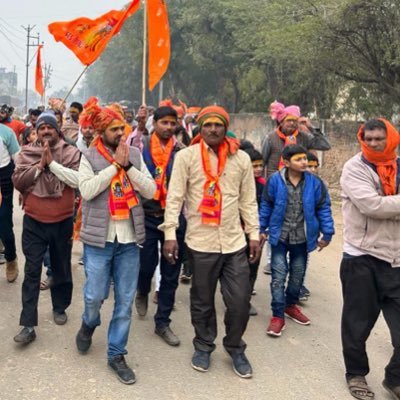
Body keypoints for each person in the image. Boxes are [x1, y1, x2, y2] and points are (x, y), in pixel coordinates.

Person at [160, 106, 260, 379]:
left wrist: (253, 234)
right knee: (202, 301)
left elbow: (248, 200)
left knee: (240, 301)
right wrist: (170, 234)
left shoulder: (240, 159)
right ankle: (203, 345)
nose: (213, 129)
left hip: (233, 242)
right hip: (200, 241)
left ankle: (235, 346)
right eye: (208, 125)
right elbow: (175, 197)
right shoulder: (186, 157)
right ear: (200, 128)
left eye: (218, 125)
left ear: (225, 127)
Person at [75, 97, 156, 385]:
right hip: (99, 241)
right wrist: (113, 168)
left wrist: (129, 168)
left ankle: (116, 354)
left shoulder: (134, 154)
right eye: (114, 130)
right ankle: (88, 323)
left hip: (129, 242)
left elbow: (151, 190)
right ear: (101, 132)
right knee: (94, 297)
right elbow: (86, 190)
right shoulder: (89, 156)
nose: (120, 134)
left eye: (122, 128)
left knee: (124, 301)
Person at [340, 118, 400, 400]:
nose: (373, 143)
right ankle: (355, 373)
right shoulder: (354, 168)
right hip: (361, 256)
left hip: (396, 258)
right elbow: (371, 205)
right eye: (369, 139)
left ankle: (395, 378)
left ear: (391, 138)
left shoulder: (399, 167)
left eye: (379, 139)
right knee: (357, 323)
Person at [12, 111, 80, 344]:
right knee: (31, 271)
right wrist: (40, 167)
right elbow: (18, 181)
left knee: (61, 268)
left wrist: (53, 164)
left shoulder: (71, 152)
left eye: (50, 127)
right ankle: (28, 325)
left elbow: (75, 180)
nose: (46, 131)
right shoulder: (26, 153)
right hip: (34, 223)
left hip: (62, 222)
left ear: (57, 129)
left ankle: (60, 307)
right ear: (37, 131)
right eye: (42, 128)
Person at [259, 144, 334, 337]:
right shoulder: (275, 181)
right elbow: (266, 205)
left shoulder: (315, 183)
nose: (304, 163)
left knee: (297, 276)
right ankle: (277, 315)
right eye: (299, 159)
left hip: (302, 237)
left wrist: (327, 233)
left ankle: (290, 305)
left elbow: (323, 208)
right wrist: (261, 229)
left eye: (305, 159)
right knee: (278, 276)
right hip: (279, 236)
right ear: (286, 161)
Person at [135, 106, 185, 346]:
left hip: (173, 217)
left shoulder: (182, 151)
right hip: (146, 214)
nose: (168, 127)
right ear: (155, 123)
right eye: (163, 122)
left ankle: (162, 322)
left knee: (171, 271)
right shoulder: (140, 144)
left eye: (171, 123)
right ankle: (142, 290)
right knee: (146, 265)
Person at [261, 101, 331, 275]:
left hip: (299, 186)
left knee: (296, 223)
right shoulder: (271, 138)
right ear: (281, 121)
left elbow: (325, 145)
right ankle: (272, 261)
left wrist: (310, 126)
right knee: (275, 222)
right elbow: (263, 160)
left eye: (295, 120)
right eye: (288, 120)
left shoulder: (303, 137)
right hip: (275, 185)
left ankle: (295, 263)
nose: (292, 124)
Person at [241, 146, 265, 316]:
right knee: (236, 268)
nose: (258, 169)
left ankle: (245, 300)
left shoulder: (264, 185)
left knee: (252, 267)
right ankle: (234, 298)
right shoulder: (237, 184)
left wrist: (262, 231)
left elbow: (266, 208)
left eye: (260, 166)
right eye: (253, 166)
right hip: (236, 232)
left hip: (255, 234)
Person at [0, 123, 20, 282]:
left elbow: (18, 160)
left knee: (4, 224)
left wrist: (24, 188)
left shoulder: (6, 133)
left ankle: (11, 259)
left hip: (3, 182)